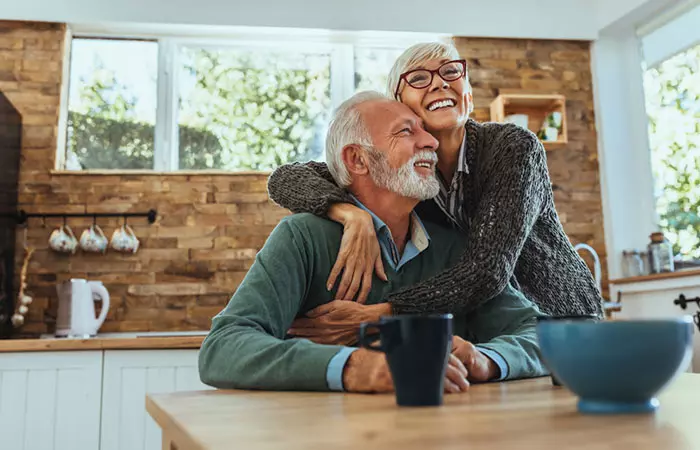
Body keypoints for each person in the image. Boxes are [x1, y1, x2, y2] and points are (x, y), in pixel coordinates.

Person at [199, 91, 548, 393]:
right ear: (357, 159)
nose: (431, 142)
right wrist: (355, 367)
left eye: (425, 131)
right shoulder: (302, 238)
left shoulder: (454, 248)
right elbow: (223, 348)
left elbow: (540, 335)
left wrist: (485, 358)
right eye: (406, 132)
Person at [266, 41, 603, 331]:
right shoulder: (404, 175)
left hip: (561, 319)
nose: (440, 84)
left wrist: (383, 314)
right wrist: (352, 215)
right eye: (418, 78)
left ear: (468, 95)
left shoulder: (513, 148)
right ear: (398, 104)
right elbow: (286, 178)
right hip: (491, 328)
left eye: (451, 73)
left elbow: (487, 269)